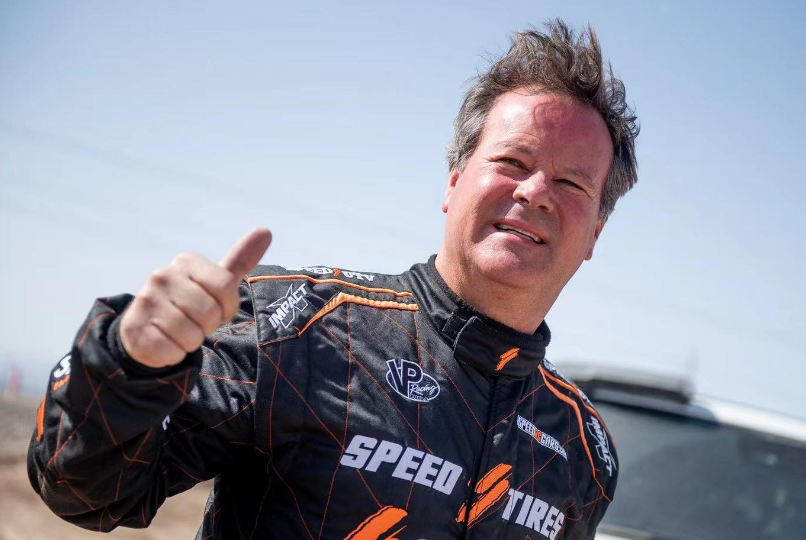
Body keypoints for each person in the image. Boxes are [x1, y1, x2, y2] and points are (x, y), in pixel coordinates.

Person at [28, 18, 638, 540]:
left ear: (596, 234)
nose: (535, 192)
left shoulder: (583, 449)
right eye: (512, 161)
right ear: (454, 182)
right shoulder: (297, 324)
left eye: (571, 183)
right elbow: (85, 491)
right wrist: (130, 365)